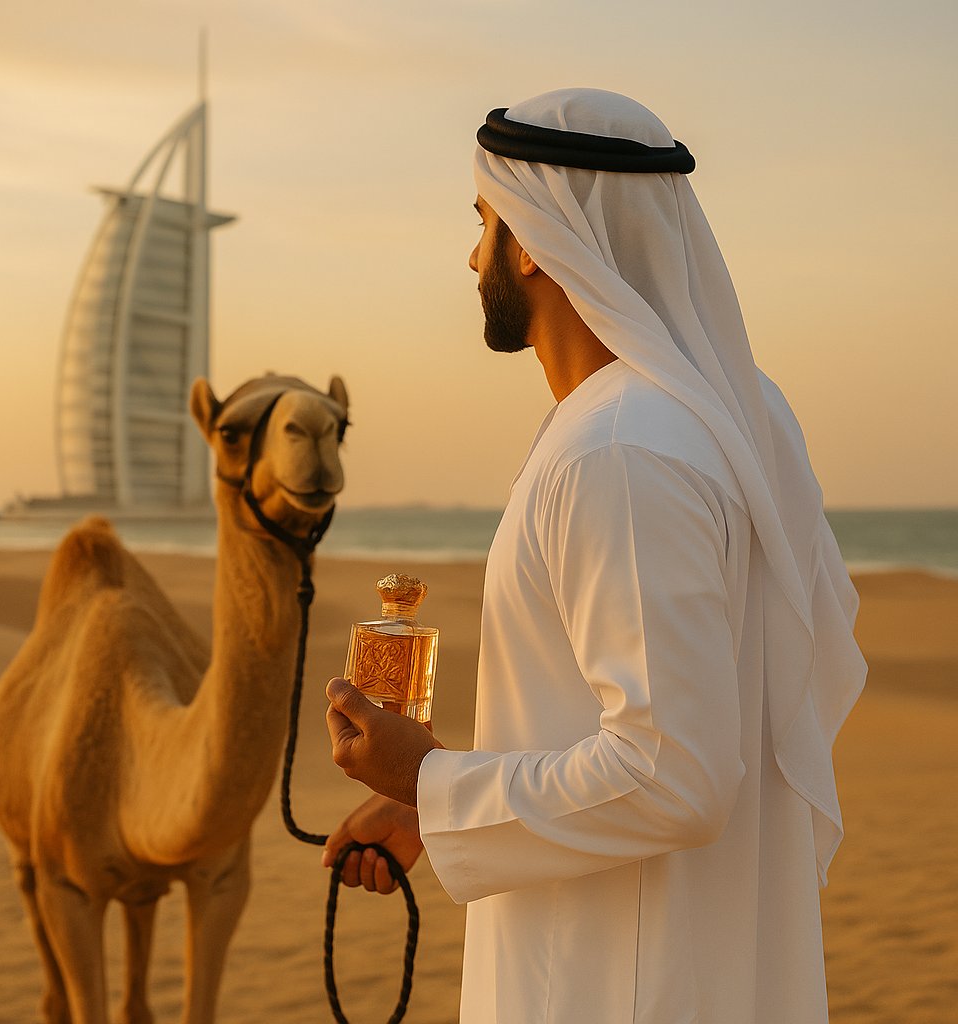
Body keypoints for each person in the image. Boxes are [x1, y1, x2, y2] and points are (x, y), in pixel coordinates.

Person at [323, 89, 866, 1023]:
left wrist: (431, 778)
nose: (471, 254)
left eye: (484, 222)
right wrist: (444, 812)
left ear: (532, 238)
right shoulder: (719, 412)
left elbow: (674, 775)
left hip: (617, 986)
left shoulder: (620, 449)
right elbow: (663, 725)